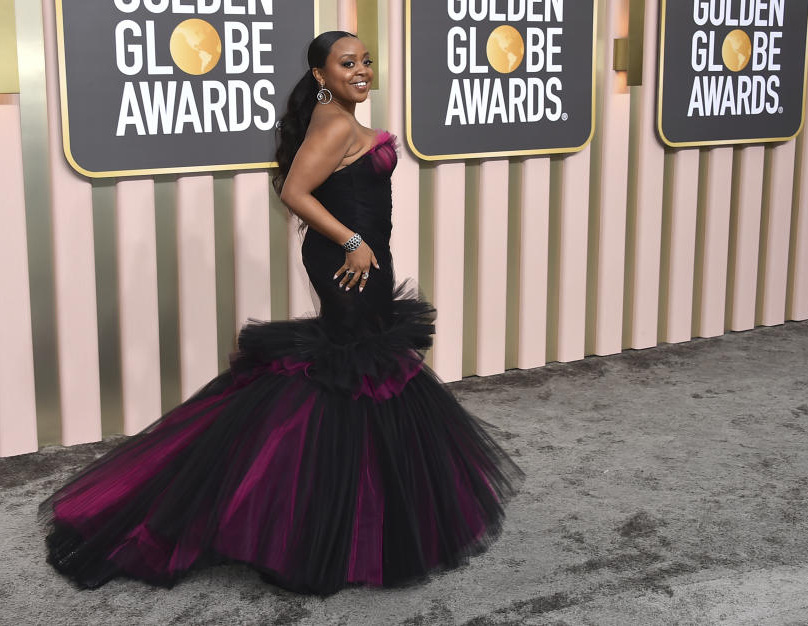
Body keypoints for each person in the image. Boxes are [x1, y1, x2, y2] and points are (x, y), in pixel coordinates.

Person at [41, 31, 524, 597]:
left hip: (365, 256)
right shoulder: (336, 124)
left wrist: (361, 245)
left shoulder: (338, 120)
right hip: (349, 260)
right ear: (321, 74)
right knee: (359, 370)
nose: (363, 70)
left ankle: (353, 510)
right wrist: (351, 242)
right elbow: (295, 191)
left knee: (363, 370)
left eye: (366, 60)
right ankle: (322, 522)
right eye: (348, 63)